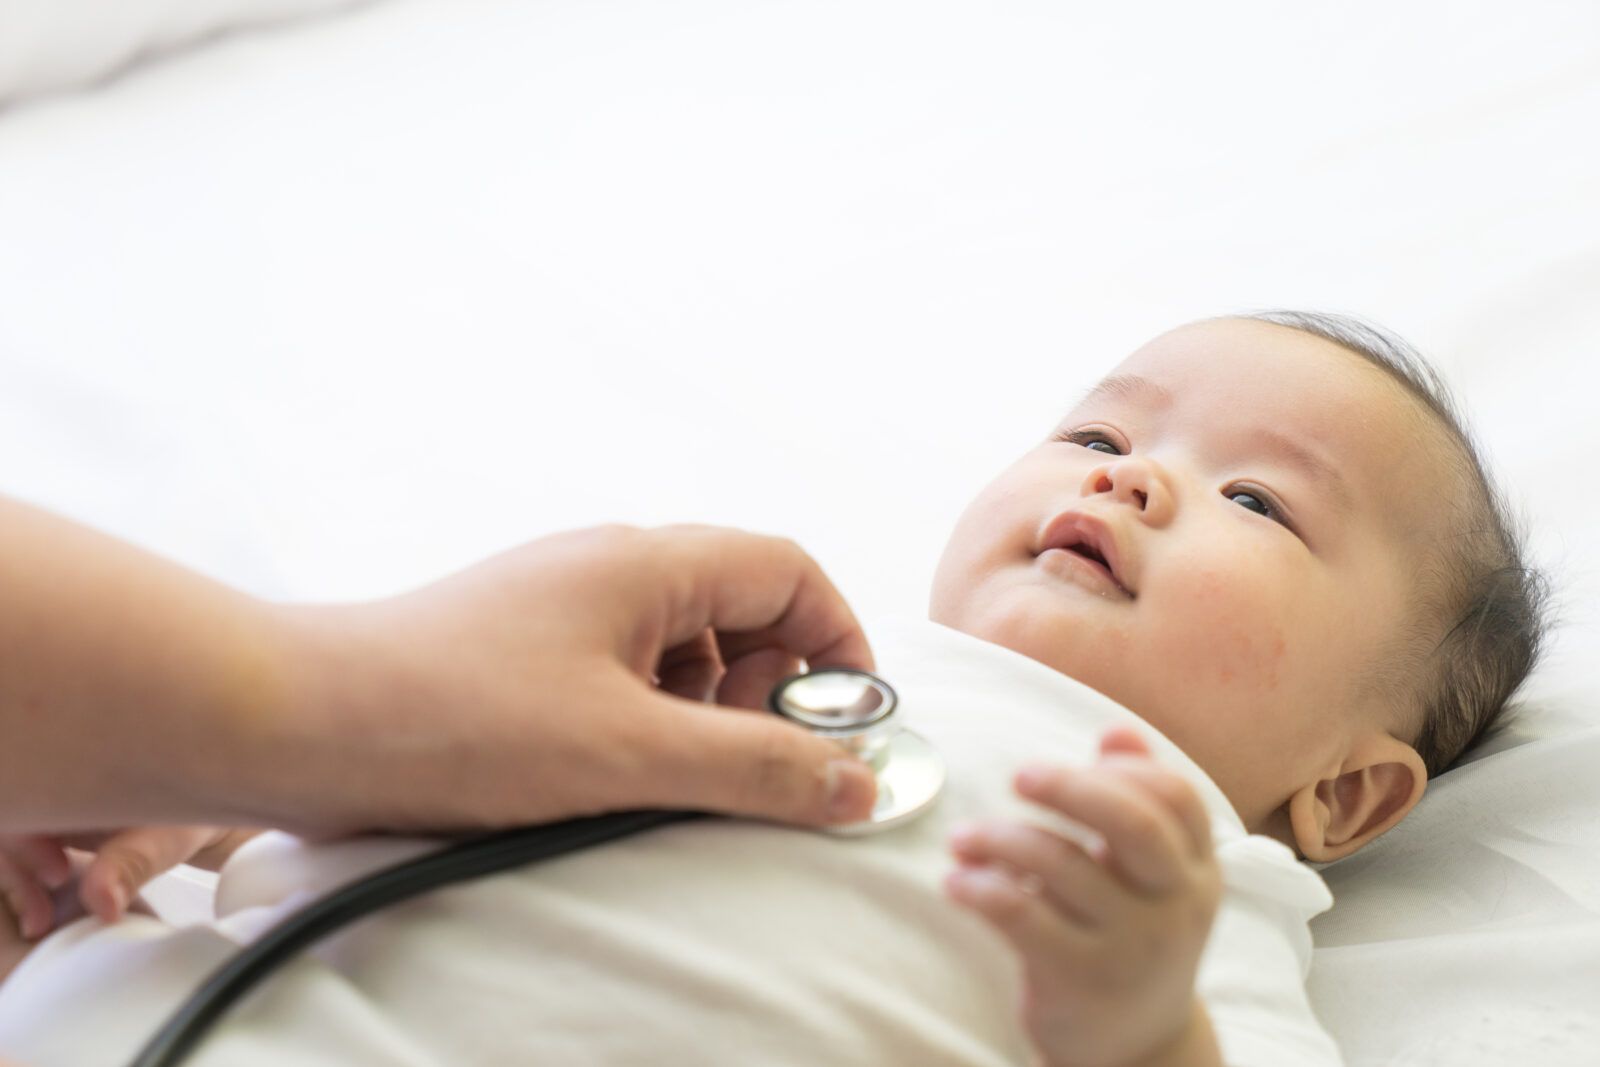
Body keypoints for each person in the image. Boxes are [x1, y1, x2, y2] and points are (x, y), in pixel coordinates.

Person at [0, 312, 1547, 1067]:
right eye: (1100, 436)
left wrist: (1142, 1033)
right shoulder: (738, 661)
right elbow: (402, 750)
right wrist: (181, 813)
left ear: (1349, 789)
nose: (1137, 479)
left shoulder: (1195, 897)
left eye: (1264, 504)